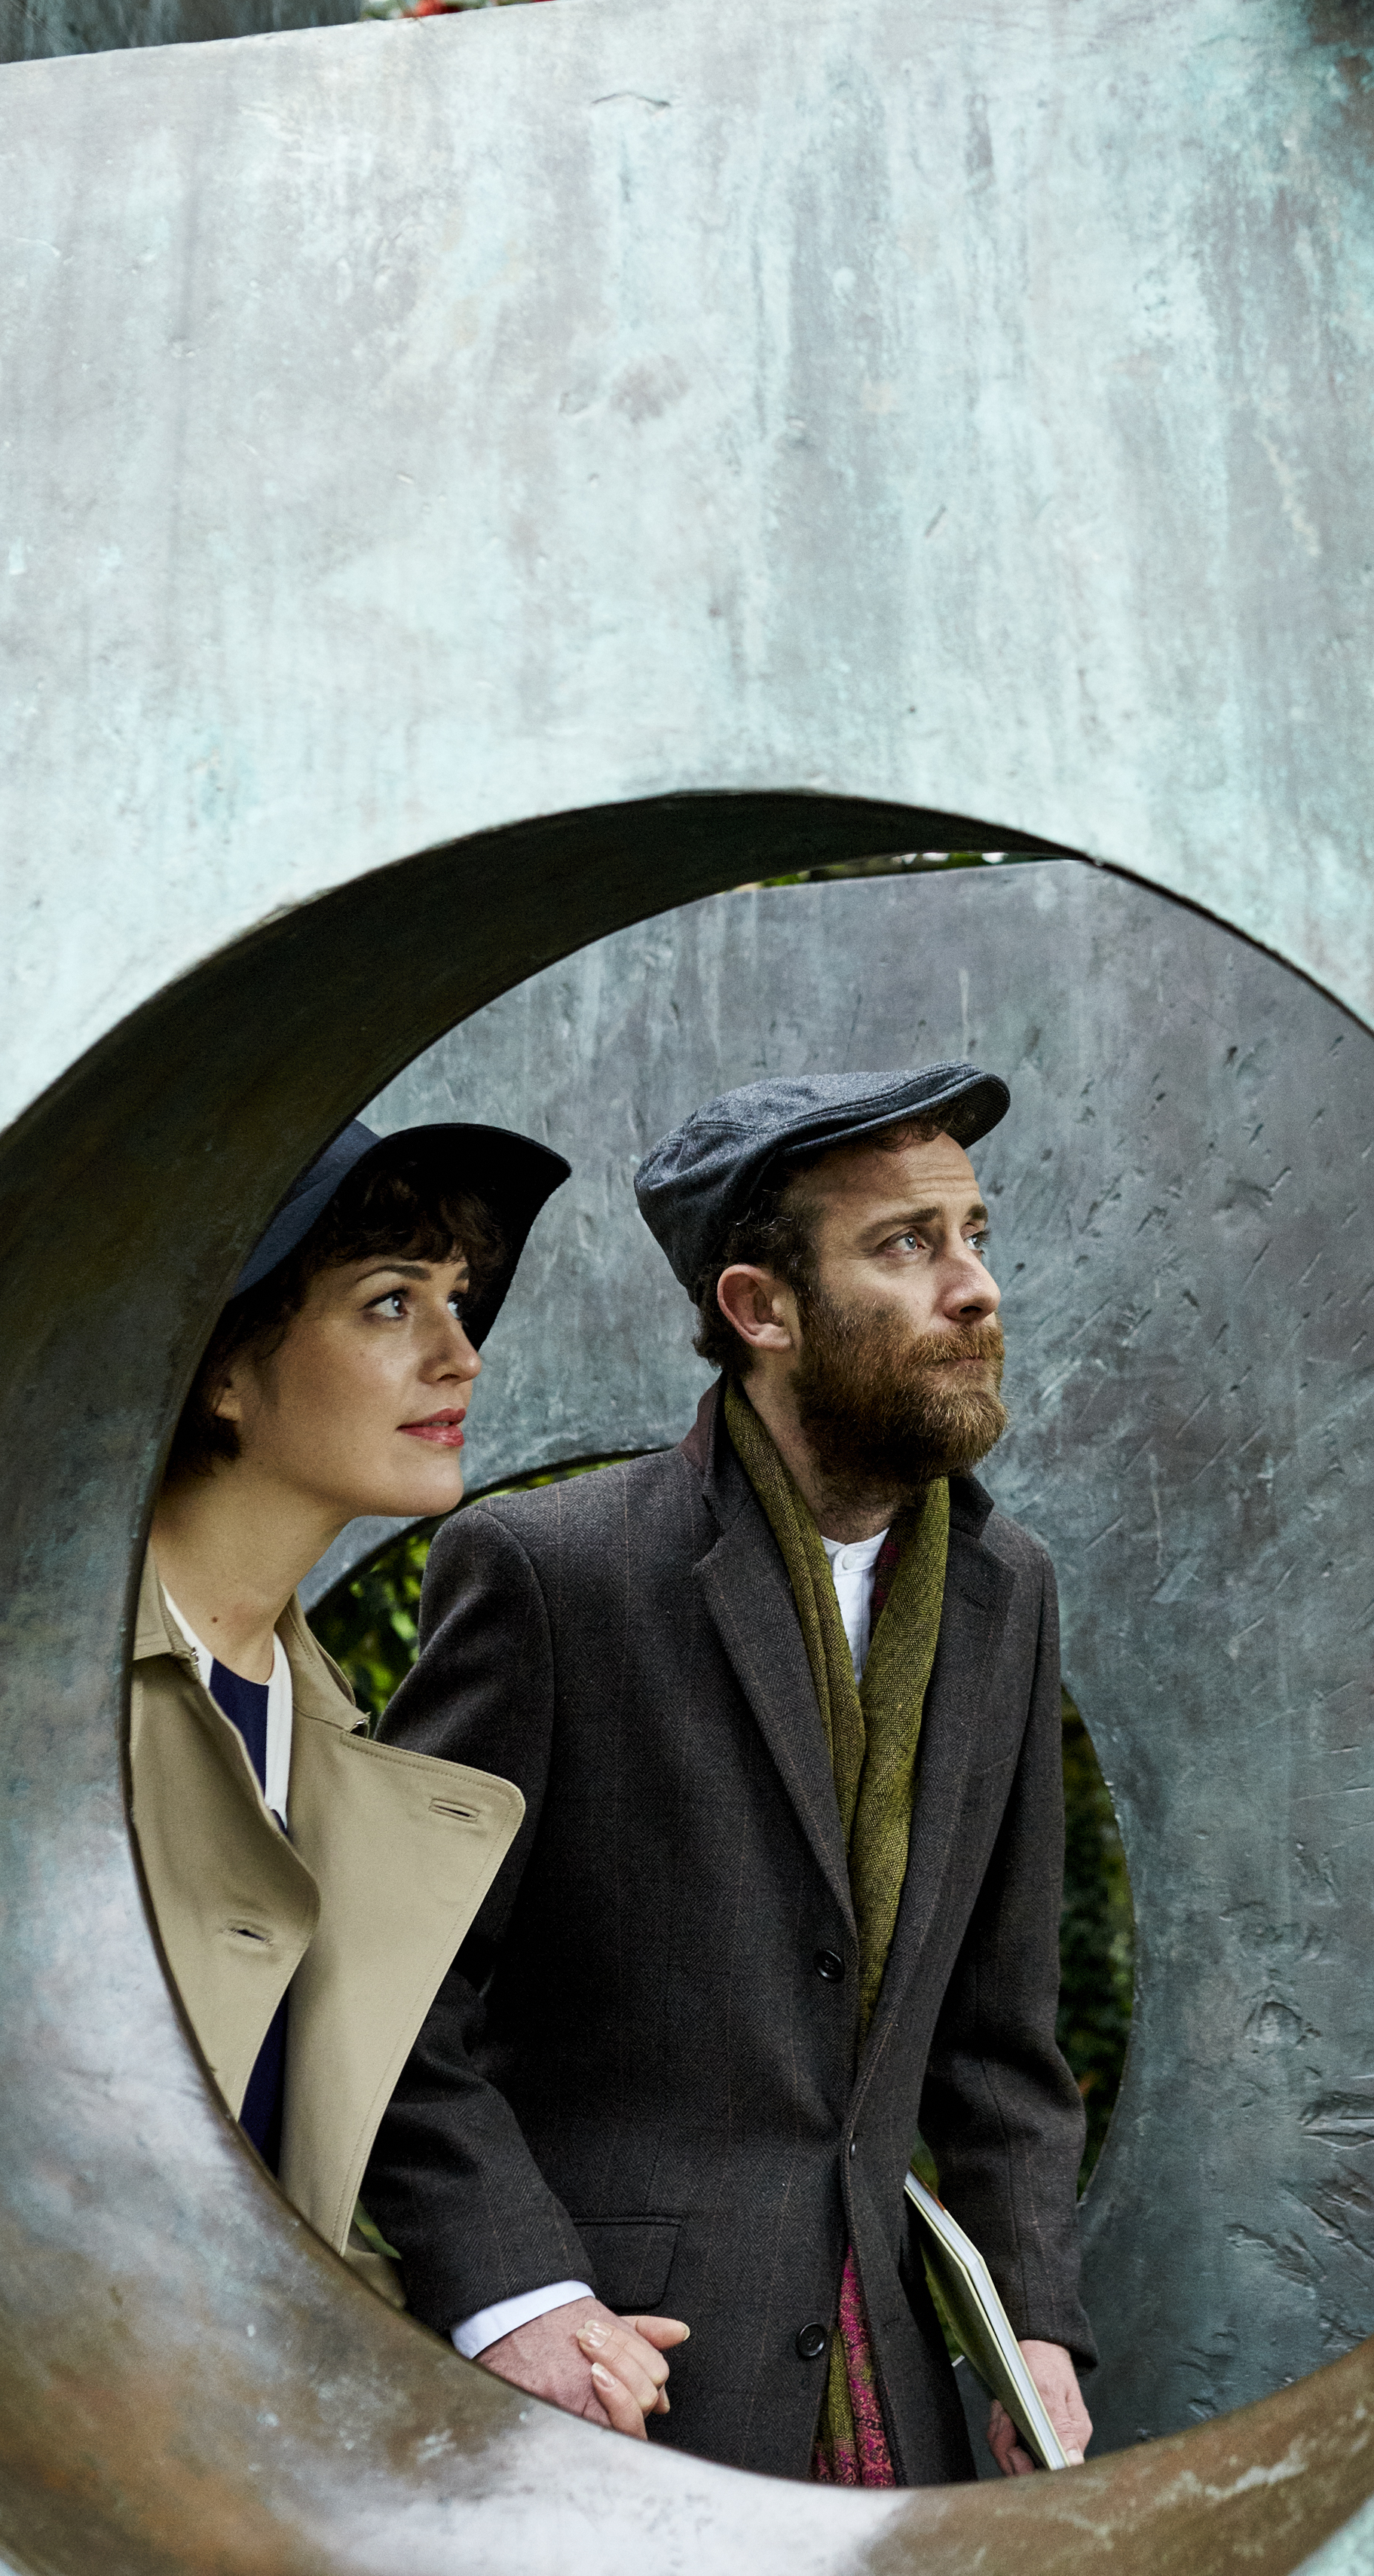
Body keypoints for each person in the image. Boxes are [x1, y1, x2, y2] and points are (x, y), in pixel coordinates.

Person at [363, 1063, 1095, 2484]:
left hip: (897, 2394)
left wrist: (1034, 2326)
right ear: (758, 1309)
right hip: (609, 2391)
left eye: (974, 1236)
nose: (974, 1288)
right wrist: (518, 2294)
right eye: (906, 1245)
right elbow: (384, 2004)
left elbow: (1001, 2047)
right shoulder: (551, 1575)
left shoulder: (1006, 1589)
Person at [130, 1117, 686, 2436]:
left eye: (456, 1300)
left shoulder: (327, 1741)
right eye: (391, 1301)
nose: (459, 1353)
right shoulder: (38, 1702)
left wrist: (533, 2335)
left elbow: (272, 2208)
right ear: (221, 1365)